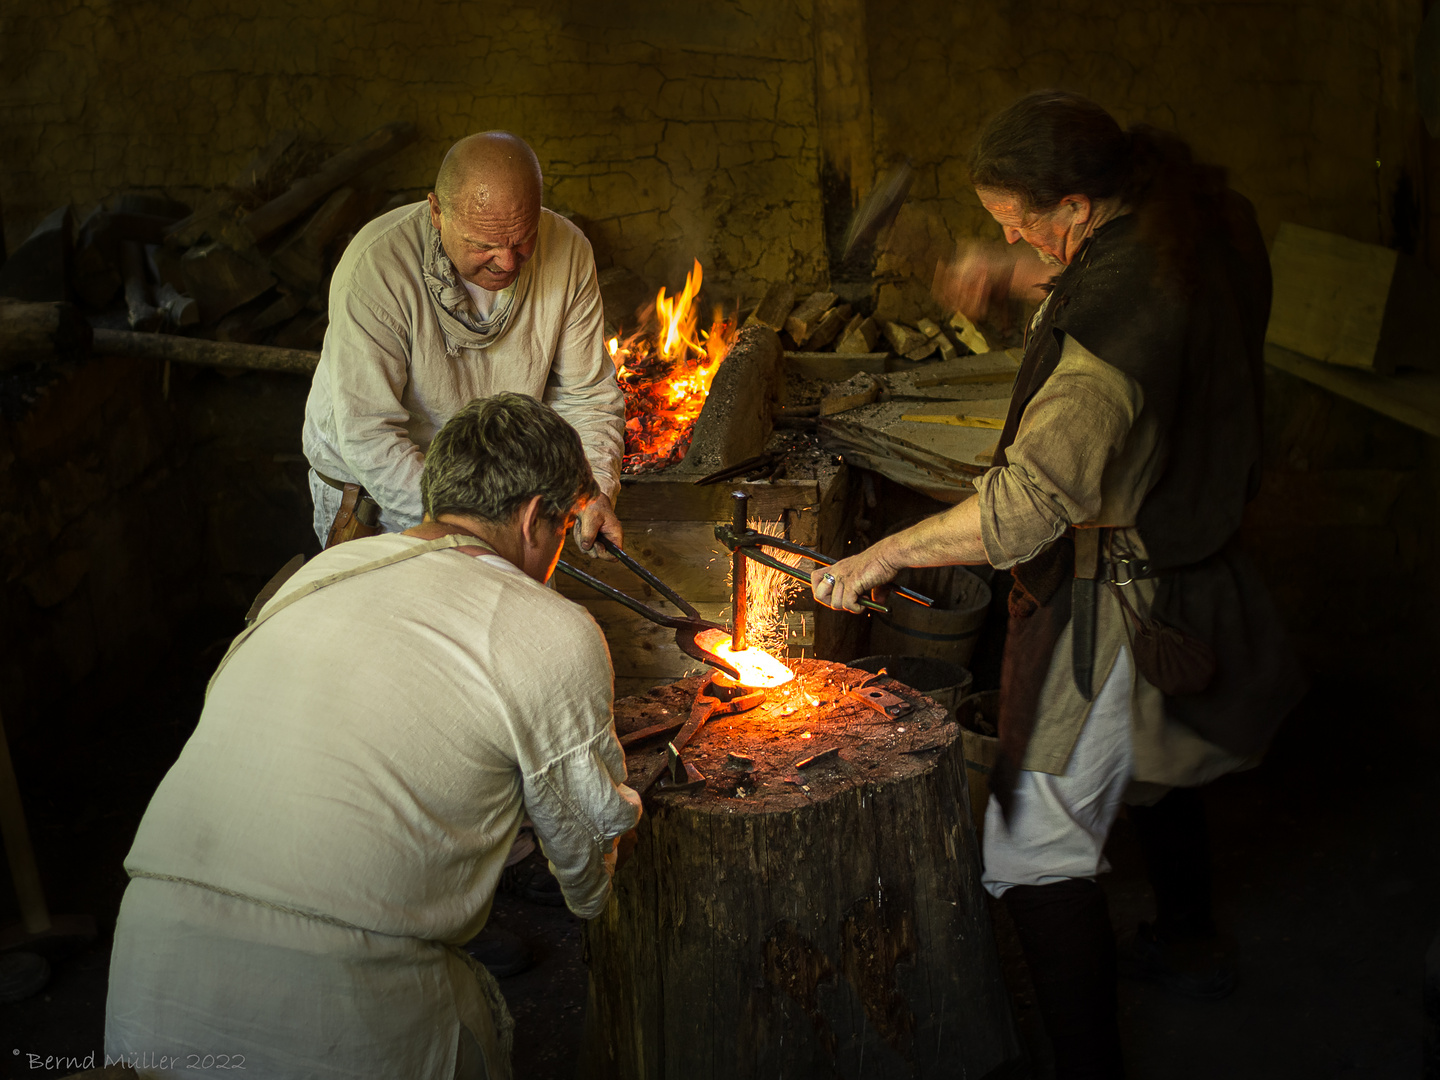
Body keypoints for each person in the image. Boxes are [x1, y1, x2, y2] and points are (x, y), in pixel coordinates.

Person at [813, 91, 1304, 1078]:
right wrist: (1019, 277)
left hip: (1117, 596)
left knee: (1034, 856)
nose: (1007, 237)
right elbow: (1123, 295)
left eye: (1014, 223)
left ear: (1074, 208)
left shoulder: (1108, 337)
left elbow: (1026, 507)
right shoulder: (1195, 217)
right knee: (1156, 760)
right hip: (1189, 554)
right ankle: (1187, 937)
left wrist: (885, 553)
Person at [106, 393, 643, 1080]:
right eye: (566, 524)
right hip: (338, 999)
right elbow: (585, 864)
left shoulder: (314, 577)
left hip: (149, 961)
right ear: (537, 517)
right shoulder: (552, 627)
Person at [303, 130, 624, 555]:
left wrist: (592, 490)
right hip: (379, 495)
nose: (507, 262)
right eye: (483, 245)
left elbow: (586, 396)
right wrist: (469, 532)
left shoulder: (568, 252)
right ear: (436, 212)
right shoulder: (377, 267)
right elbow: (370, 432)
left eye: (522, 239)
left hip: (501, 504)